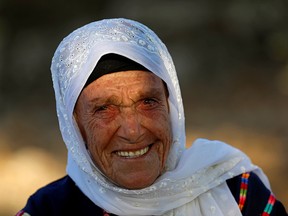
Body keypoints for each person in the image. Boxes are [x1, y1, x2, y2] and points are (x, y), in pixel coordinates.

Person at [16, 18, 287, 216]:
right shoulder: (48, 211)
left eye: (148, 101)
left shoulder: (236, 191)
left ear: (171, 106)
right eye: (104, 109)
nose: (133, 131)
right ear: (74, 125)